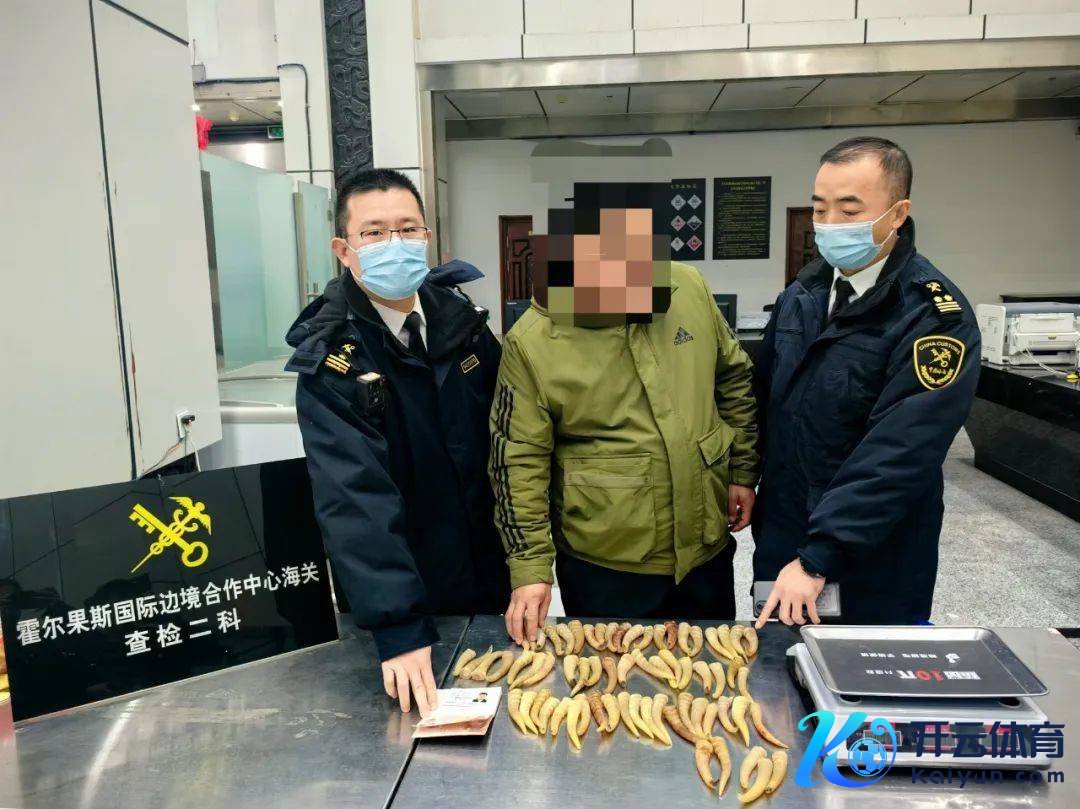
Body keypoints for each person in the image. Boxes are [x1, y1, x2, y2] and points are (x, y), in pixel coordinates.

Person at [490, 182, 759, 646]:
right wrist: (530, 567)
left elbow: (733, 378)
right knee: (614, 680)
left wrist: (742, 471)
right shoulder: (533, 340)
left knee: (712, 672)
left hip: (705, 550)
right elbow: (517, 460)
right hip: (607, 562)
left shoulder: (687, 288)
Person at [286, 169, 509, 714]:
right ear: (344, 250)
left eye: (408, 229)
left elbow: (509, 443)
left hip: (487, 576)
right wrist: (398, 625)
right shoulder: (332, 362)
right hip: (404, 598)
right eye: (374, 232)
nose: (395, 243)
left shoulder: (464, 324)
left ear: (427, 237)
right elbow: (354, 497)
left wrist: (526, 564)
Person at [752, 137, 981, 628]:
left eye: (850, 210)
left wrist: (818, 557)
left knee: (860, 670)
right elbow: (764, 396)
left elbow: (900, 452)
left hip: (871, 555)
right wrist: (744, 477)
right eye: (820, 209)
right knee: (776, 664)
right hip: (784, 533)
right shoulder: (804, 291)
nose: (830, 223)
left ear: (898, 214)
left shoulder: (933, 316)